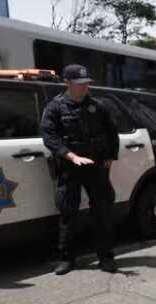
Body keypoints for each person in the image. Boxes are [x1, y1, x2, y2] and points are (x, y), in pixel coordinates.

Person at [40, 64, 120, 275]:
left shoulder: (98, 106)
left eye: (86, 84)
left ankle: (105, 257)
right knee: (68, 213)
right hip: (70, 166)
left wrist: (111, 156)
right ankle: (66, 259)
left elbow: (112, 132)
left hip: (95, 165)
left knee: (102, 212)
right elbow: (49, 137)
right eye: (80, 84)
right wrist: (72, 156)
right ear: (67, 83)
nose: (85, 88)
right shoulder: (55, 107)